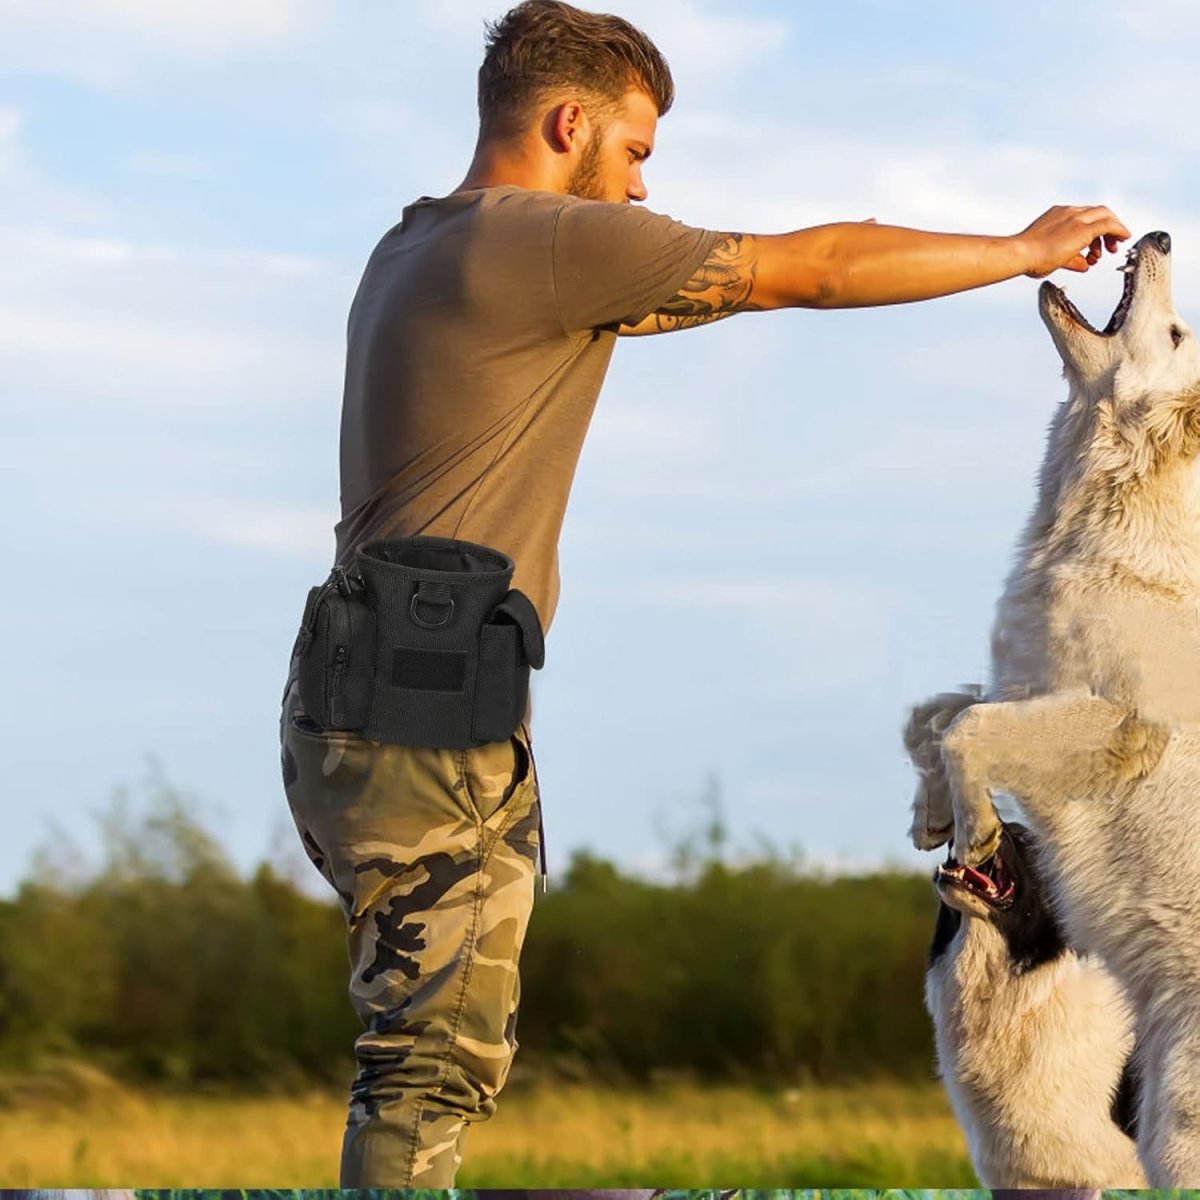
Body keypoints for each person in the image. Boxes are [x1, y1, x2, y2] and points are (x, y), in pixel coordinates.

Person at [278, 0, 1130, 1186]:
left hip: (362, 689)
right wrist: (1021, 251)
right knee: (431, 1062)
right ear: (568, 122)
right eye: (631, 154)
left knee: (426, 1039)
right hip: (427, 701)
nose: (635, 193)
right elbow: (815, 271)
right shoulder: (535, 240)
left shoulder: (417, 241)